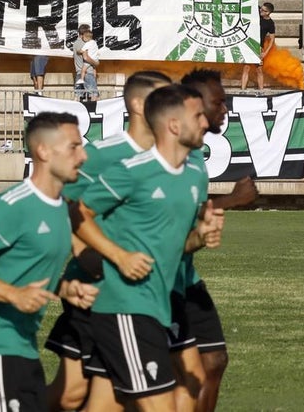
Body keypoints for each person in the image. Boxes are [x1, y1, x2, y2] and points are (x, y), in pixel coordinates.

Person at [74, 84, 223, 411]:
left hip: (158, 307)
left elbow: (177, 244)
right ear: (173, 125)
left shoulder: (194, 175)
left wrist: (202, 236)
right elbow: (77, 212)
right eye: (197, 116)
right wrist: (118, 256)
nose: (205, 122)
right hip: (125, 308)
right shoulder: (132, 172)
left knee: (103, 406)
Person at [0, 112, 96, 412]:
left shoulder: (62, 207)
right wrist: (14, 295)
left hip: (24, 348)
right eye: (73, 147)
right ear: (43, 151)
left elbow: (30, 267)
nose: (82, 156)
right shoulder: (14, 205)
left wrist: (65, 289)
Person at [44, 70, 172, 412]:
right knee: (76, 393)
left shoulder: (174, 157)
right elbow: (63, 206)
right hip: (92, 287)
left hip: (145, 293)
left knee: (115, 393)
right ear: (139, 105)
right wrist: (87, 259)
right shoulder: (101, 154)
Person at [172, 69, 259, 412]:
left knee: (214, 360)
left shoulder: (194, 154)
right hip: (159, 281)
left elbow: (188, 207)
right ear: (193, 105)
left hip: (185, 276)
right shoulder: (171, 155)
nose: (225, 108)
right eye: (218, 101)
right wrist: (232, 201)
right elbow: (171, 216)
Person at [241, 2, 276, 89]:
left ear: (268, 12)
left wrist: (265, 53)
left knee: (259, 70)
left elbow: (272, 39)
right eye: (261, 9)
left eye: (263, 10)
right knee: (246, 68)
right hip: (249, 45)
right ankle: (242, 90)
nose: (260, 10)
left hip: (258, 47)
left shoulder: (270, 23)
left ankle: (261, 91)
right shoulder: (257, 13)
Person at [76, 26, 100, 103]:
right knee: (94, 95)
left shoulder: (76, 43)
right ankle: (93, 111)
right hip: (88, 72)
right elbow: (86, 58)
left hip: (79, 71)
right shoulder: (87, 43)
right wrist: (96, 63)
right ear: (83, 34)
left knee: (78, 97)